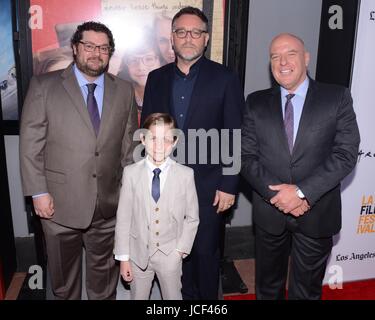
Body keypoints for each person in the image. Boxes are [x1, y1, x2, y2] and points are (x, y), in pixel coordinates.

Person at [19, 21, 138, 300]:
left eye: (103, 48)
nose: (96, 53)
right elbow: (30, 145)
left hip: (108, 204)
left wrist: (129, 195)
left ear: (110, 53)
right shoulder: (44, 86)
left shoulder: (123, 89)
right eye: (89, 46)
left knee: (104, 280)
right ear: (74, 48)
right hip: (59, 205)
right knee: (64, 282)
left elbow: (129, 146)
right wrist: (38, 192)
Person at [241, 33, 360, 299]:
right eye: (275, 56)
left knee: (305, 292)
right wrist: (278, 196)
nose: (282, 62)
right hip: (269, 212)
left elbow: (345, 154)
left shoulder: (337, 97)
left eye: (290, 54)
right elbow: (246, 156)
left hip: (316, 210)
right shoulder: (255, 101)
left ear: (306, 58)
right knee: (267, 289)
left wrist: (301, 193)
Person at [141, 7, 244, 300]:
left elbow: (234, 134)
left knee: (205, 256)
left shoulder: (225, 79)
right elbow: (146, 133)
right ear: (172, 38)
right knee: (172, 257)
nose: (188, 38)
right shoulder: (156, 78)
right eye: (181, 32)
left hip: (210, 187)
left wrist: (229, 185)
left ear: (206, 38)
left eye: (195, 32)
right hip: (164, 185)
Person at [114, 112, 199, 300]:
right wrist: (123, 258)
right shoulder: (130, 173)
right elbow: (123, 219)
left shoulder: (186, 175)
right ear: (143, 139)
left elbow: (192, 218)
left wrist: (180, 250)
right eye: (153, 138)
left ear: (175, 142)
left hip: (171, 255)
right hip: (137, 255)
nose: (159, 146)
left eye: (167, 140)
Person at [118, 28, 161, 125]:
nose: (141, 67)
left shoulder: (173, 94)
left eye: (149, 59)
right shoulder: (121, 95)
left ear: (160, 60)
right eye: (133, 60)